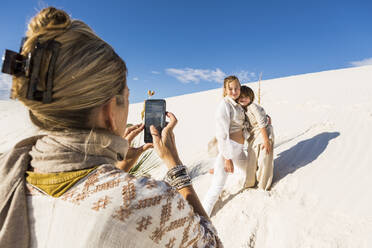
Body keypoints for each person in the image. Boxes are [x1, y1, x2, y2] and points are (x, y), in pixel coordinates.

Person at [0, 7, 222, 248]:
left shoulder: (8, 173)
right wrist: (174, 165)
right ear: (109, 111)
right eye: (126, 98)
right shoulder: (153, 205)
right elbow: (211, 243)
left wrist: (118, 169)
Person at [202, 76, 250, 217]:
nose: (234, 91)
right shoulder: (224, 105)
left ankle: (215, 169)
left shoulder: (239, 104)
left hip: (239, 151)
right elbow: (222, 134)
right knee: (217, 187)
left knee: (251, 172)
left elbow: (246, 122)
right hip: (228, 151)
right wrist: (227, 158)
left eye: (237, 88)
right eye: (230, 88)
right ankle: (203, 218)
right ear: (225, 89)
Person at [238, 85, 275, 190]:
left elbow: (262, 123)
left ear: (250, 97)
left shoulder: (253, 106)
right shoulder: (242, 109)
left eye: (246, 96)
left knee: (264, 159)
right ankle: (250, 182)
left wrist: (266, 140)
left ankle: (263, 185)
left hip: (263, 134)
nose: (243, 98)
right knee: (252, 160)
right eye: (241, 96)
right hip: (253, 137)